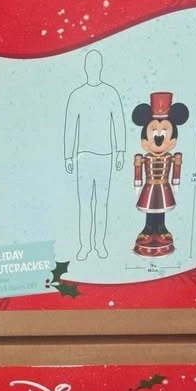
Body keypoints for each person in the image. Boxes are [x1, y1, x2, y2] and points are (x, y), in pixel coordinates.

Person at [64, 51, 126, 260]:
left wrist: (120, 151)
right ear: (85, 68)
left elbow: (119, 122)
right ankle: (85, 246)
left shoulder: (110, 93)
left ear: (100, 67)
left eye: (96, 65)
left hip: (105, 156)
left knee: (102, 203)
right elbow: (70, 127)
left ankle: (99, 244)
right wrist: (68, 155)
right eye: (90, 65)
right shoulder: (77, 95)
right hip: (83, 156)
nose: (93, 69)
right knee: (84, 204)